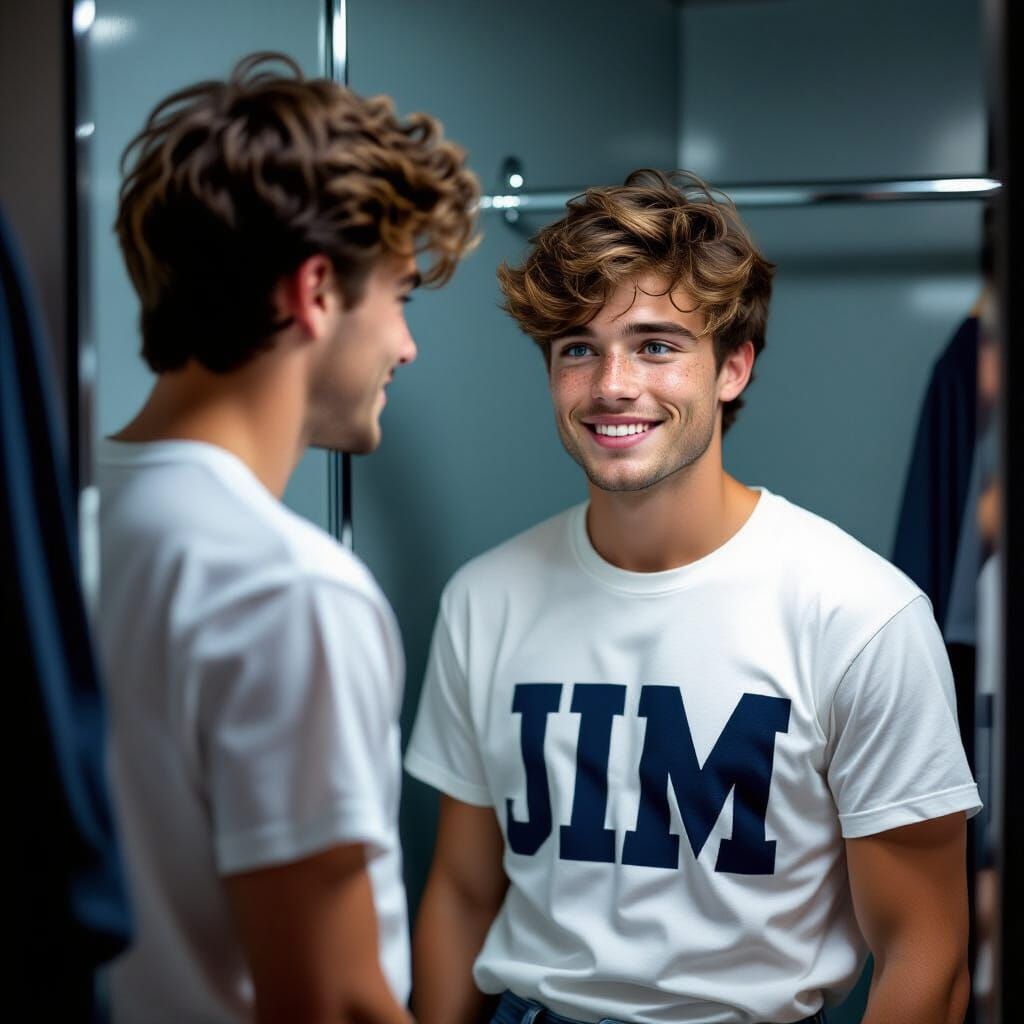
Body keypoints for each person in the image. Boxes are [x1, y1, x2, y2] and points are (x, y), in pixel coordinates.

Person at [405, 170, 980, 1024]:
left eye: (657, 345)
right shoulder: (484, 599)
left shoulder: (860, 614)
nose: (612, 385)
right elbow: (459, 891)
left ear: (732, 367)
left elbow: (924, 953)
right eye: (578, 349)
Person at [97, 53, 477, 1023]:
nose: (406, 344)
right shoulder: (288, 589)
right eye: (399, 294)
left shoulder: (68, 512)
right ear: (315, 292)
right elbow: (337, 1002)